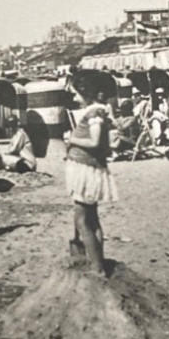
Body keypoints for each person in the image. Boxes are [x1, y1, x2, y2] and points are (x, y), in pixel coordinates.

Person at [63, 91, 115, 274]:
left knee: (82, 220)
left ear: (87, 92)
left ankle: (96, 267)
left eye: (77, 94)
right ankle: (97, 260)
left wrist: (72, 139)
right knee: (92, 219)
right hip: (88, 168)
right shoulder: (98, 111)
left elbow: (94, 141)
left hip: (86, 170)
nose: (75, 98)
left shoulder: (94, 113)